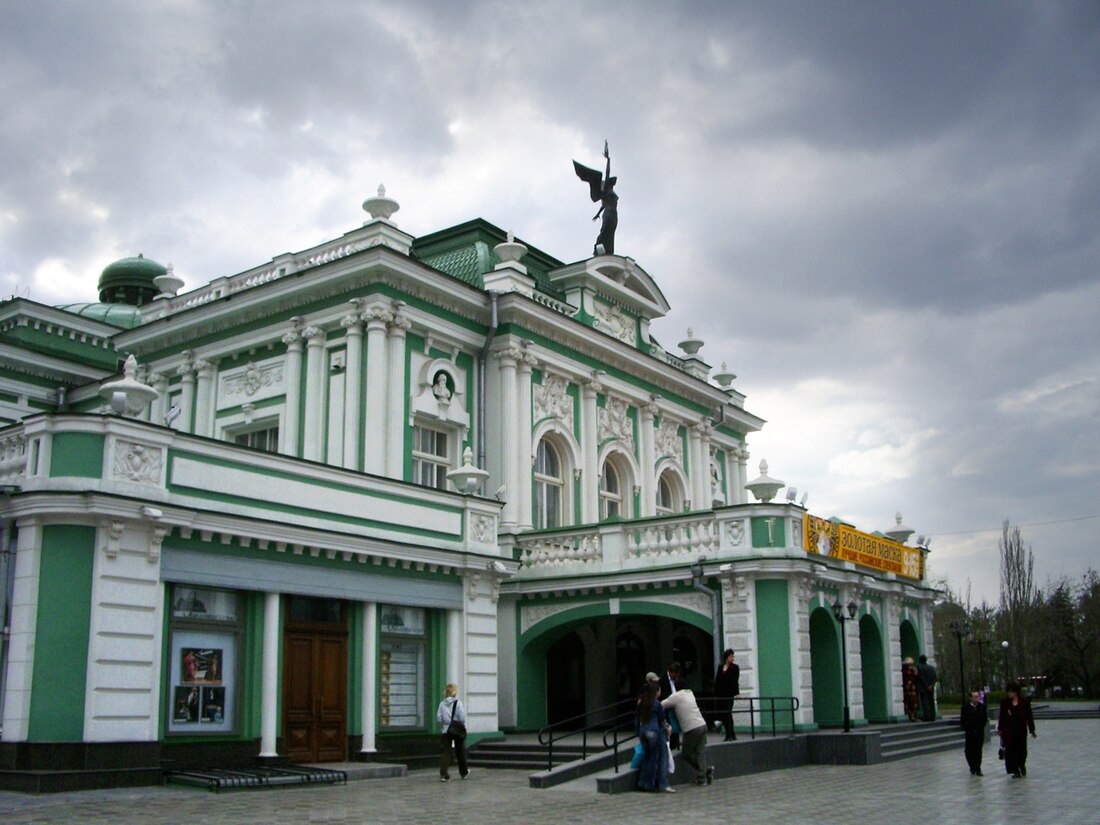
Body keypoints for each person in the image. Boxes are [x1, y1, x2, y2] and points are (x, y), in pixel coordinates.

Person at [661, 681, 715, 786]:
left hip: (691, 728)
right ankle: (702, 777)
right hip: (702, 725)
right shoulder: (690, 693)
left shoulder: (675, 697)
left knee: (686, 753)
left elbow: (661, 705)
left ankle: (705, 771)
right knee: (700, 752)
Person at [634, 682, 673, 792]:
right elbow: (661, 718)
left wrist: (637, 732)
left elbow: (637, 718)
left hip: (643, 731)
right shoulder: (656, 704)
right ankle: (649, 785)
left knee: (646, 757)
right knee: (652, 758)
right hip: (653, 731)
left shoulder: (641, 702)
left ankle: (642, 782)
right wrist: (667, 728)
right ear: (656, 692)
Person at [998, 681, 1037, 778]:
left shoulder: (1024, 702)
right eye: (1008, 692)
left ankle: (1021, 765)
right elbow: (1002, 716)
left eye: (1010, 692)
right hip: (1009, 730)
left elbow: (1029, 716)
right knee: (1010, 751)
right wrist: (1000, 728)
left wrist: (1032, 729)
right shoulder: (1005, 702)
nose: (1009, 694)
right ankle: (1015, 770)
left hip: (1020, 730)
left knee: (1022, 750)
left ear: (1015, 692)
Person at [437, 683, 469, 782]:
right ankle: (464, 772)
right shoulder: (458, 703)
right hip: (456, 731)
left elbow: (438, 718)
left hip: (446, 731)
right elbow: (462, 718)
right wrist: (459, 724)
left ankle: (444, 774)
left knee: (446, 752)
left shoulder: (442, 704)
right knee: (460, 751)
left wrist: (444, 724)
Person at [959, 686, 988, 776]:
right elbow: (963, 719)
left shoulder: (982, 707)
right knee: (968, 751)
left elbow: (984, 719)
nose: (977, 699)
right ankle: (972, 766)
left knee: (978, 750)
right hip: (970, 732)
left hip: (979, 732)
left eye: (977, 697)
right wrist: (967, 727)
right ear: (970, 698)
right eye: (975, 697)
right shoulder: (965, 707)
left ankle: (978, 768)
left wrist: (980, 726)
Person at [714, 649, 740, 741]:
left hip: (729, 694)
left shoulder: (735, 667)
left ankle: (730, 734)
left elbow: (735, 681)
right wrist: (716, 692)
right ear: (726, 657)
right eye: (730, 656)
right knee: (724, 714)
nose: (732, 658)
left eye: (733, 656)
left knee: (728, 712)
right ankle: (729, 734)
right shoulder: (720, 667)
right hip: (721, 694)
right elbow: (717, 681)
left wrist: (737, 693)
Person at [659, 663, 681, 750]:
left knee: (675, 725)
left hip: (676, 705)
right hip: (668, 706)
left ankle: (675, 743)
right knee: (669, 725)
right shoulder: (663, 680)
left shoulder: (678, 680)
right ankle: (671, 744)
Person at [916, 654, 937, 721]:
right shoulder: (931, 668)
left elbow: (921, 678)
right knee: (931, 703)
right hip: (931, 688)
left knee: (925, 703)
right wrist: (931, 685)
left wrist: (927, 686)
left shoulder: (919, 667)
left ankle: (927, 717)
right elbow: (935, 677)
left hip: (923, 688)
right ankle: (933, 716)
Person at [902, 657, 919, 721]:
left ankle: (912, 715)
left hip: (909, 688)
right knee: (911, 702)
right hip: (910, 688)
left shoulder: (906, 670)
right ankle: (912, 715)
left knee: (911, 702)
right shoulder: (909, 670)